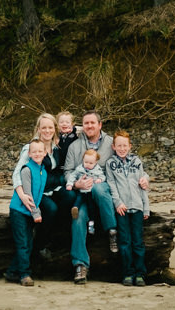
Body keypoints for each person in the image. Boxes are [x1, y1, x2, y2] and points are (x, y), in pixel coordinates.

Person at [63, 110, 121, 283]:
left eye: (92, 123)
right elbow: (67, 171)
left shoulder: (111, 143)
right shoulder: (75, 146)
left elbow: (125, 159)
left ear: (100, 125)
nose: (89, 126)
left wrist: (142, 178)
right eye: (86, 123)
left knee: (98, 189)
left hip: (103, 191)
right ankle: (80, 265)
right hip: (83, 193)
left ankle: (112, 231)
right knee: (78, 218)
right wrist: (75, 184)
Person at [105, 130, 150, 286]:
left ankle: (140, 274)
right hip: (122, 209)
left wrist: (146, 208)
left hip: (137, 207)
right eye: (119, 146)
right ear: (113, 146)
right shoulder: (110, 163)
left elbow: (142, 184)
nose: (122, 148)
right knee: (125, 242)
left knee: (138, 241)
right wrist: (117, 202)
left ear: (130, 146)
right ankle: (128, 273)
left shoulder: (136, 161)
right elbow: (111, 184)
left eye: (125, 145)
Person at [4, 138, 47, 286]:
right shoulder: (27, 170)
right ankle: (24, 275)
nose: (37, 154)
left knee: (28, 243)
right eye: (34, 151)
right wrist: (36, 213)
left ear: (45, 153)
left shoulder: (44, 172)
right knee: (22, 243)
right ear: (29, 153)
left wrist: (35, 211)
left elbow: (39, 195)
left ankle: (11, 272)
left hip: (30, 212)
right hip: (19, 211)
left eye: (40, 151)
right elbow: (28, 194)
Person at [63, 148, 106, 224]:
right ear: (83, 159)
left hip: (90, 191)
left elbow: (103, 176)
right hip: (81, 190)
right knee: (78, 199)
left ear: (95, 162)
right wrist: (70, 184)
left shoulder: (97, 169)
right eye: (86, 162)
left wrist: (99, 179)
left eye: (91, 163)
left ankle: (91, 222)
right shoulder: (80, 168)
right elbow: (72, 175)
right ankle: (75, 209)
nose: (87, 165)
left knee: (91, 206)